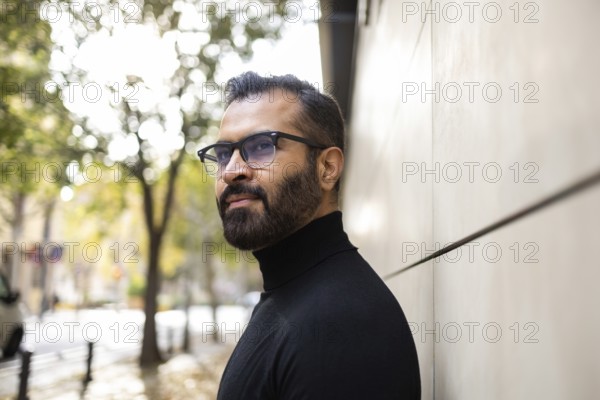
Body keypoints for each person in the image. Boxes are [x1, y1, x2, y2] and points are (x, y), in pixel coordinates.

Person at [197, 72, 421, 399]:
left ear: (327, 168)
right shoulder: (293, 295)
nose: (232, 171)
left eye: (261, 146)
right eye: (222, 154)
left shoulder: (341, 325)